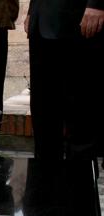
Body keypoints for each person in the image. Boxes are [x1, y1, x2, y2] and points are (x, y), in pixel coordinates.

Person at [25, 0, 104, 161]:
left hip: (80, 21)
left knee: (82, 119)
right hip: (42, 22)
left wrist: (97, 3)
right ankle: (45, 181)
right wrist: (33, 10)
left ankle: (81, 184)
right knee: (44, 117)